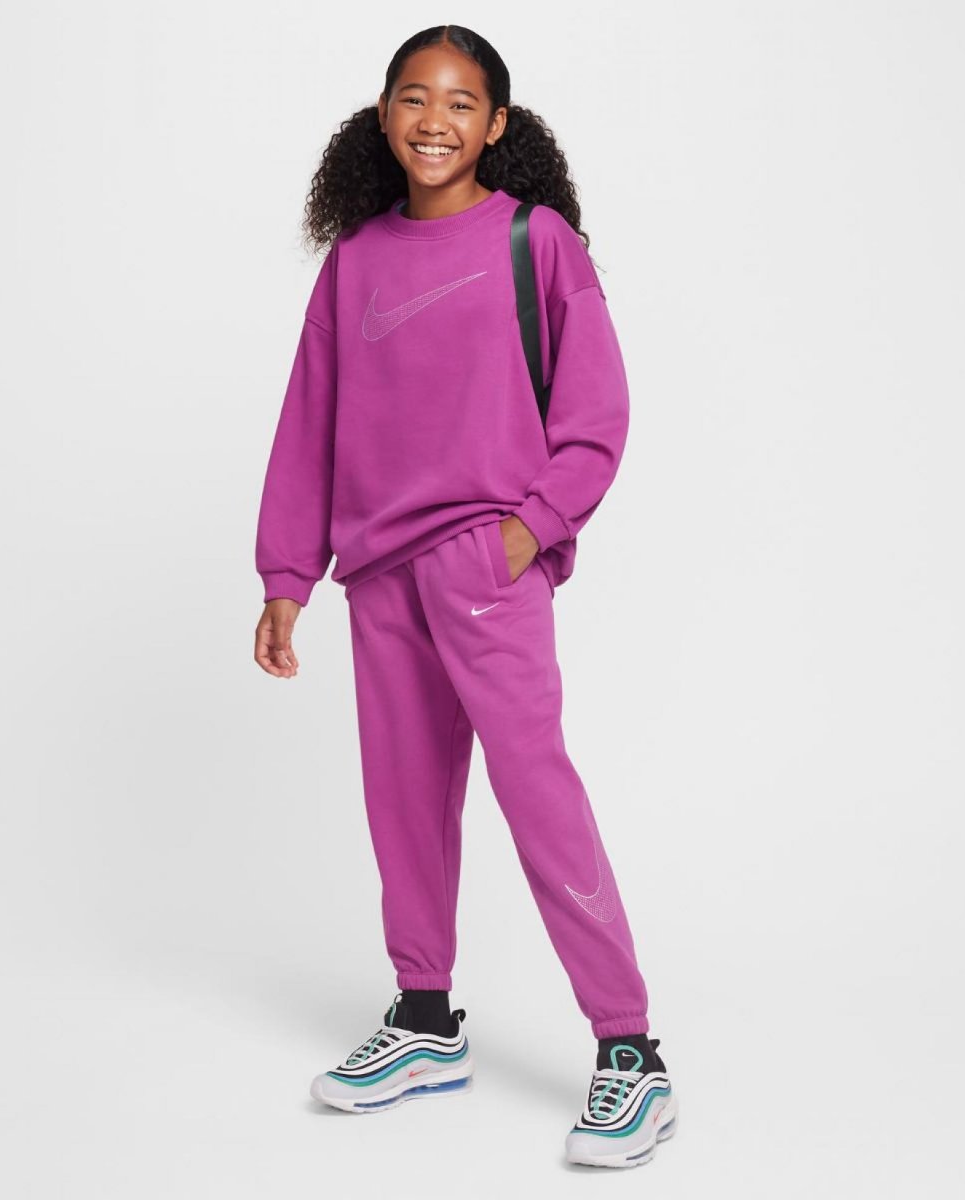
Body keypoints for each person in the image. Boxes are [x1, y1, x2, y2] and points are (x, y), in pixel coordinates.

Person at [253, 25, 674, 1168]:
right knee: (403, 799)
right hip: (377, 574)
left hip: (488, 569)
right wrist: (287, 576)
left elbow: (596, 414)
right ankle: (426, 1021)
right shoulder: (355, 260)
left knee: (538, 796)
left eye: (459, 101)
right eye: (412, 96)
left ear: (496, 124)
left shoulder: (538, 242)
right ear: (383, 114)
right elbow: (310, 420)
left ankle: (630, 1049)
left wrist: (527, 531)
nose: (433, 119)